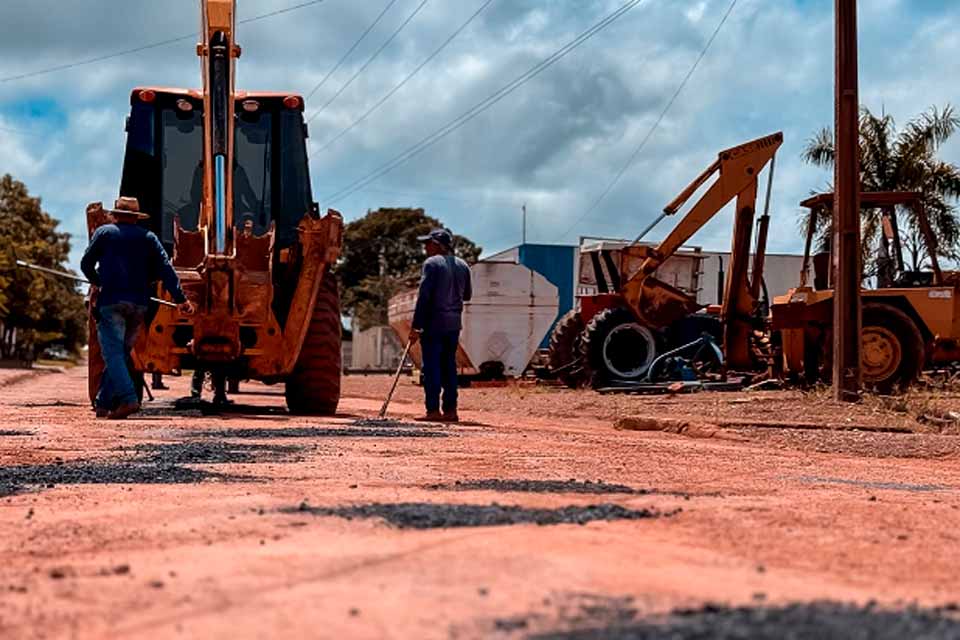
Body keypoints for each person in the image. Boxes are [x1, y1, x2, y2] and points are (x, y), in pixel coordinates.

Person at [81, 197, 195, 419]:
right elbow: (166, 269)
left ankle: (129, 399)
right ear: (135, 217)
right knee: (121, 354)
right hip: (139, 305)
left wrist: (98, 281)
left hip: (112, 302)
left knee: (113, 355)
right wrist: (181, 299)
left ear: (115, 214)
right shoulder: (148, 237)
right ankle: (103, 403)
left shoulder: (104, 233)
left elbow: (86, 264)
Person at [408, 228, 472, 423]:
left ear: (437, 244)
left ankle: (433, 411)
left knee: (432, 367)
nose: (425, 247)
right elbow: (468, 295)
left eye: (428, 243)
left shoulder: (431, 264)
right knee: (449, 366)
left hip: (433, 323)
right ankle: (451, 410)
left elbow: (424, 297)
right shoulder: (463, 265)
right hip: (453, 324)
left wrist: (416, 326)